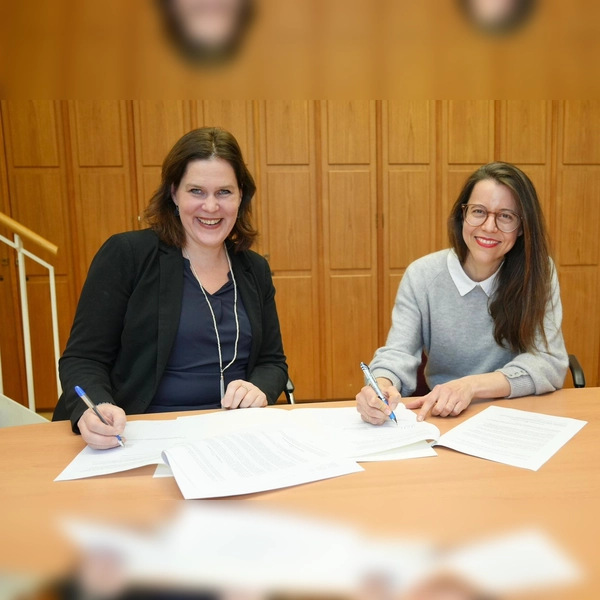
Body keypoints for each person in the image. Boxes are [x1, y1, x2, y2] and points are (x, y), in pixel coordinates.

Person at [53, 127, 288, 449]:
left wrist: (259, 387)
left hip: (234, 436)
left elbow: (272, 361)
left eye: (224, 192)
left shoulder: (253, 268)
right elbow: (83, 358)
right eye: (196, 191)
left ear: (241, 197)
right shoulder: (128, 255)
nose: (210, 207)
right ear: (174, 193)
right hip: (139, 436)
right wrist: (94, 409)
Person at [356, 162, 568, 425]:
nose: (489, 227)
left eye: (506, 216)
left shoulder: (537, 272)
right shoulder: (422, 275)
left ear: (522, 227)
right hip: (446, 418)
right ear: (462, 215)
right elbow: (398, 353)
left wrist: (472, 386)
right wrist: (380, 385)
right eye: (479, 211)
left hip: (518, 416)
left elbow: (550, 362)